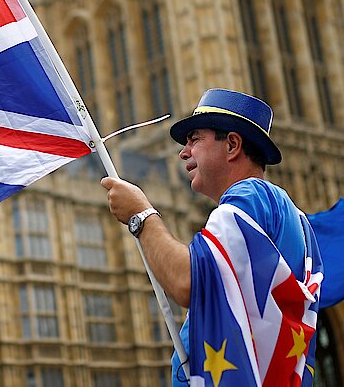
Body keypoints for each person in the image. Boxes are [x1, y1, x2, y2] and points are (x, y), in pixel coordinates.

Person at [101, 88, 321, 386]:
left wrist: (141, 215)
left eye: (195, 139)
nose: (183, 151)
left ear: (232, 145)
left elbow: (187, 281)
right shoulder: (297, 220)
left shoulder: (251, 194)